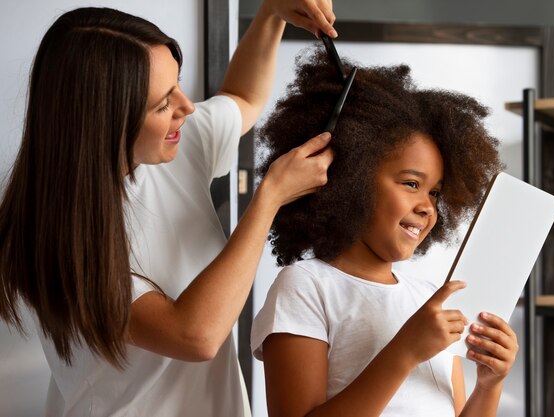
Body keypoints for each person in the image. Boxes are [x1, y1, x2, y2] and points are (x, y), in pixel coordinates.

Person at [0, 2, 336, 416]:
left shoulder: (172, 145)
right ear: (105, 121)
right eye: (163, 104)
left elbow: (243, 98)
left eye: (178, 85)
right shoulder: (51, 238)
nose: (187, 107)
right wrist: (267, 199)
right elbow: (193, 335)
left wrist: (270, 14)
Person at [251, 47, 519, 417]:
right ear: (353, 180)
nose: (427, 207)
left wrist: (490, 384)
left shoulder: (432, 299)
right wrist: (406, 350)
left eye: (435, 192)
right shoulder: (307, 286)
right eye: (411, 184)